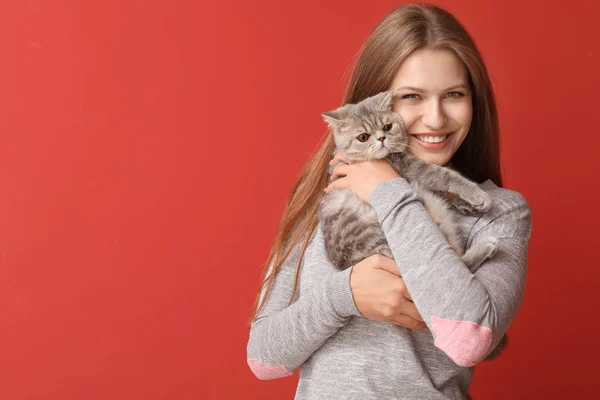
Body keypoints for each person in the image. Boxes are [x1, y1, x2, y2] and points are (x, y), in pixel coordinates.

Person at [246, 3, 532, 399]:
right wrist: (346, 294)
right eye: (412, 97)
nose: (435, 118)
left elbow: (469, 340)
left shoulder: (497, 212)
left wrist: (387, 190)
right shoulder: (327, 197)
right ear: (375, 102)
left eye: (453, 94)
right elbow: (263, 357)